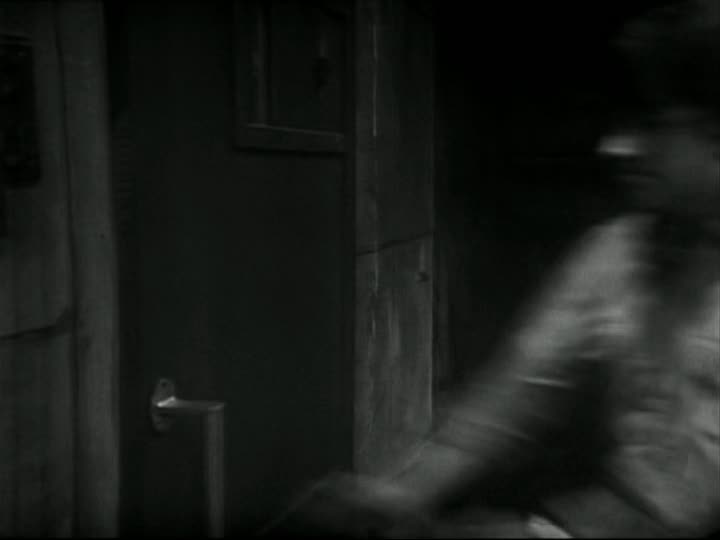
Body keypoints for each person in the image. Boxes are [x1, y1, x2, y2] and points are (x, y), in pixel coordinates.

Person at [272, 1, 719, 537]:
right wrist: (396, 496)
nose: (616, 147)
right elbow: (512, 394)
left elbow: (685, 493)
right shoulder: (617, 252)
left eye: (655, 124)